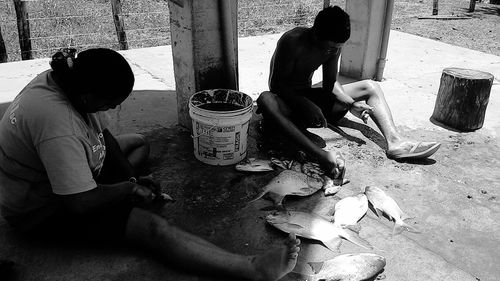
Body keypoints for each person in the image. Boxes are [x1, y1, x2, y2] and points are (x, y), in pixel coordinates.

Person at [0, 48, 300, 281]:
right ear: (88, 95)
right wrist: (127, 189)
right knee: (152, 227)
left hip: (57, 173)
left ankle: (122, 190)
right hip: (42, 207)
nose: (114, 108)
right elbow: (78, 203)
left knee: (137, 143)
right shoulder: (58, 124)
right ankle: (252, 268)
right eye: (110, 102)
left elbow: (104, 136)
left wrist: (132, 180)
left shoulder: (68, 79)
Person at [257, 6, 441, 176]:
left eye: (337, 48)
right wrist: (307, 105)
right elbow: (277, 86)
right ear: (314, 34)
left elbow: (330, 84)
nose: (333, 51)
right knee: (266, 99)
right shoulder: (292, 41)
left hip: (310, 102)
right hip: (287, 106)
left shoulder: (333, 47)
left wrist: (350, 103)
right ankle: (320, 155)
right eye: (329, 47)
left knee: (370, 86)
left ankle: (395, 142)